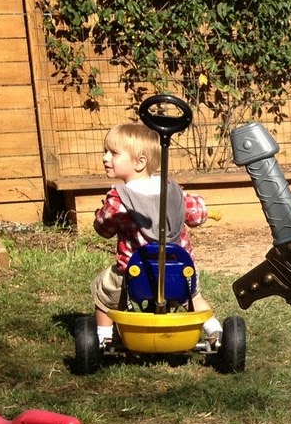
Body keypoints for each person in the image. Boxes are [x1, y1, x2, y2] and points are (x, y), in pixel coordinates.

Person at [91, 119, 217, 340]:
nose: (105, 158)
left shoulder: (118, 199)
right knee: (193, 296)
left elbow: (103, 228)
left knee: (105, 291)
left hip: (135, 273)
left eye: (113, 153)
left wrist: (101, 217)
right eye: (105, 151)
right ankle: (216, 331)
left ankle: (103, 337)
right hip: (180, 269)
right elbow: (197, 215)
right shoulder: (174, 191)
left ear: (140, 162)